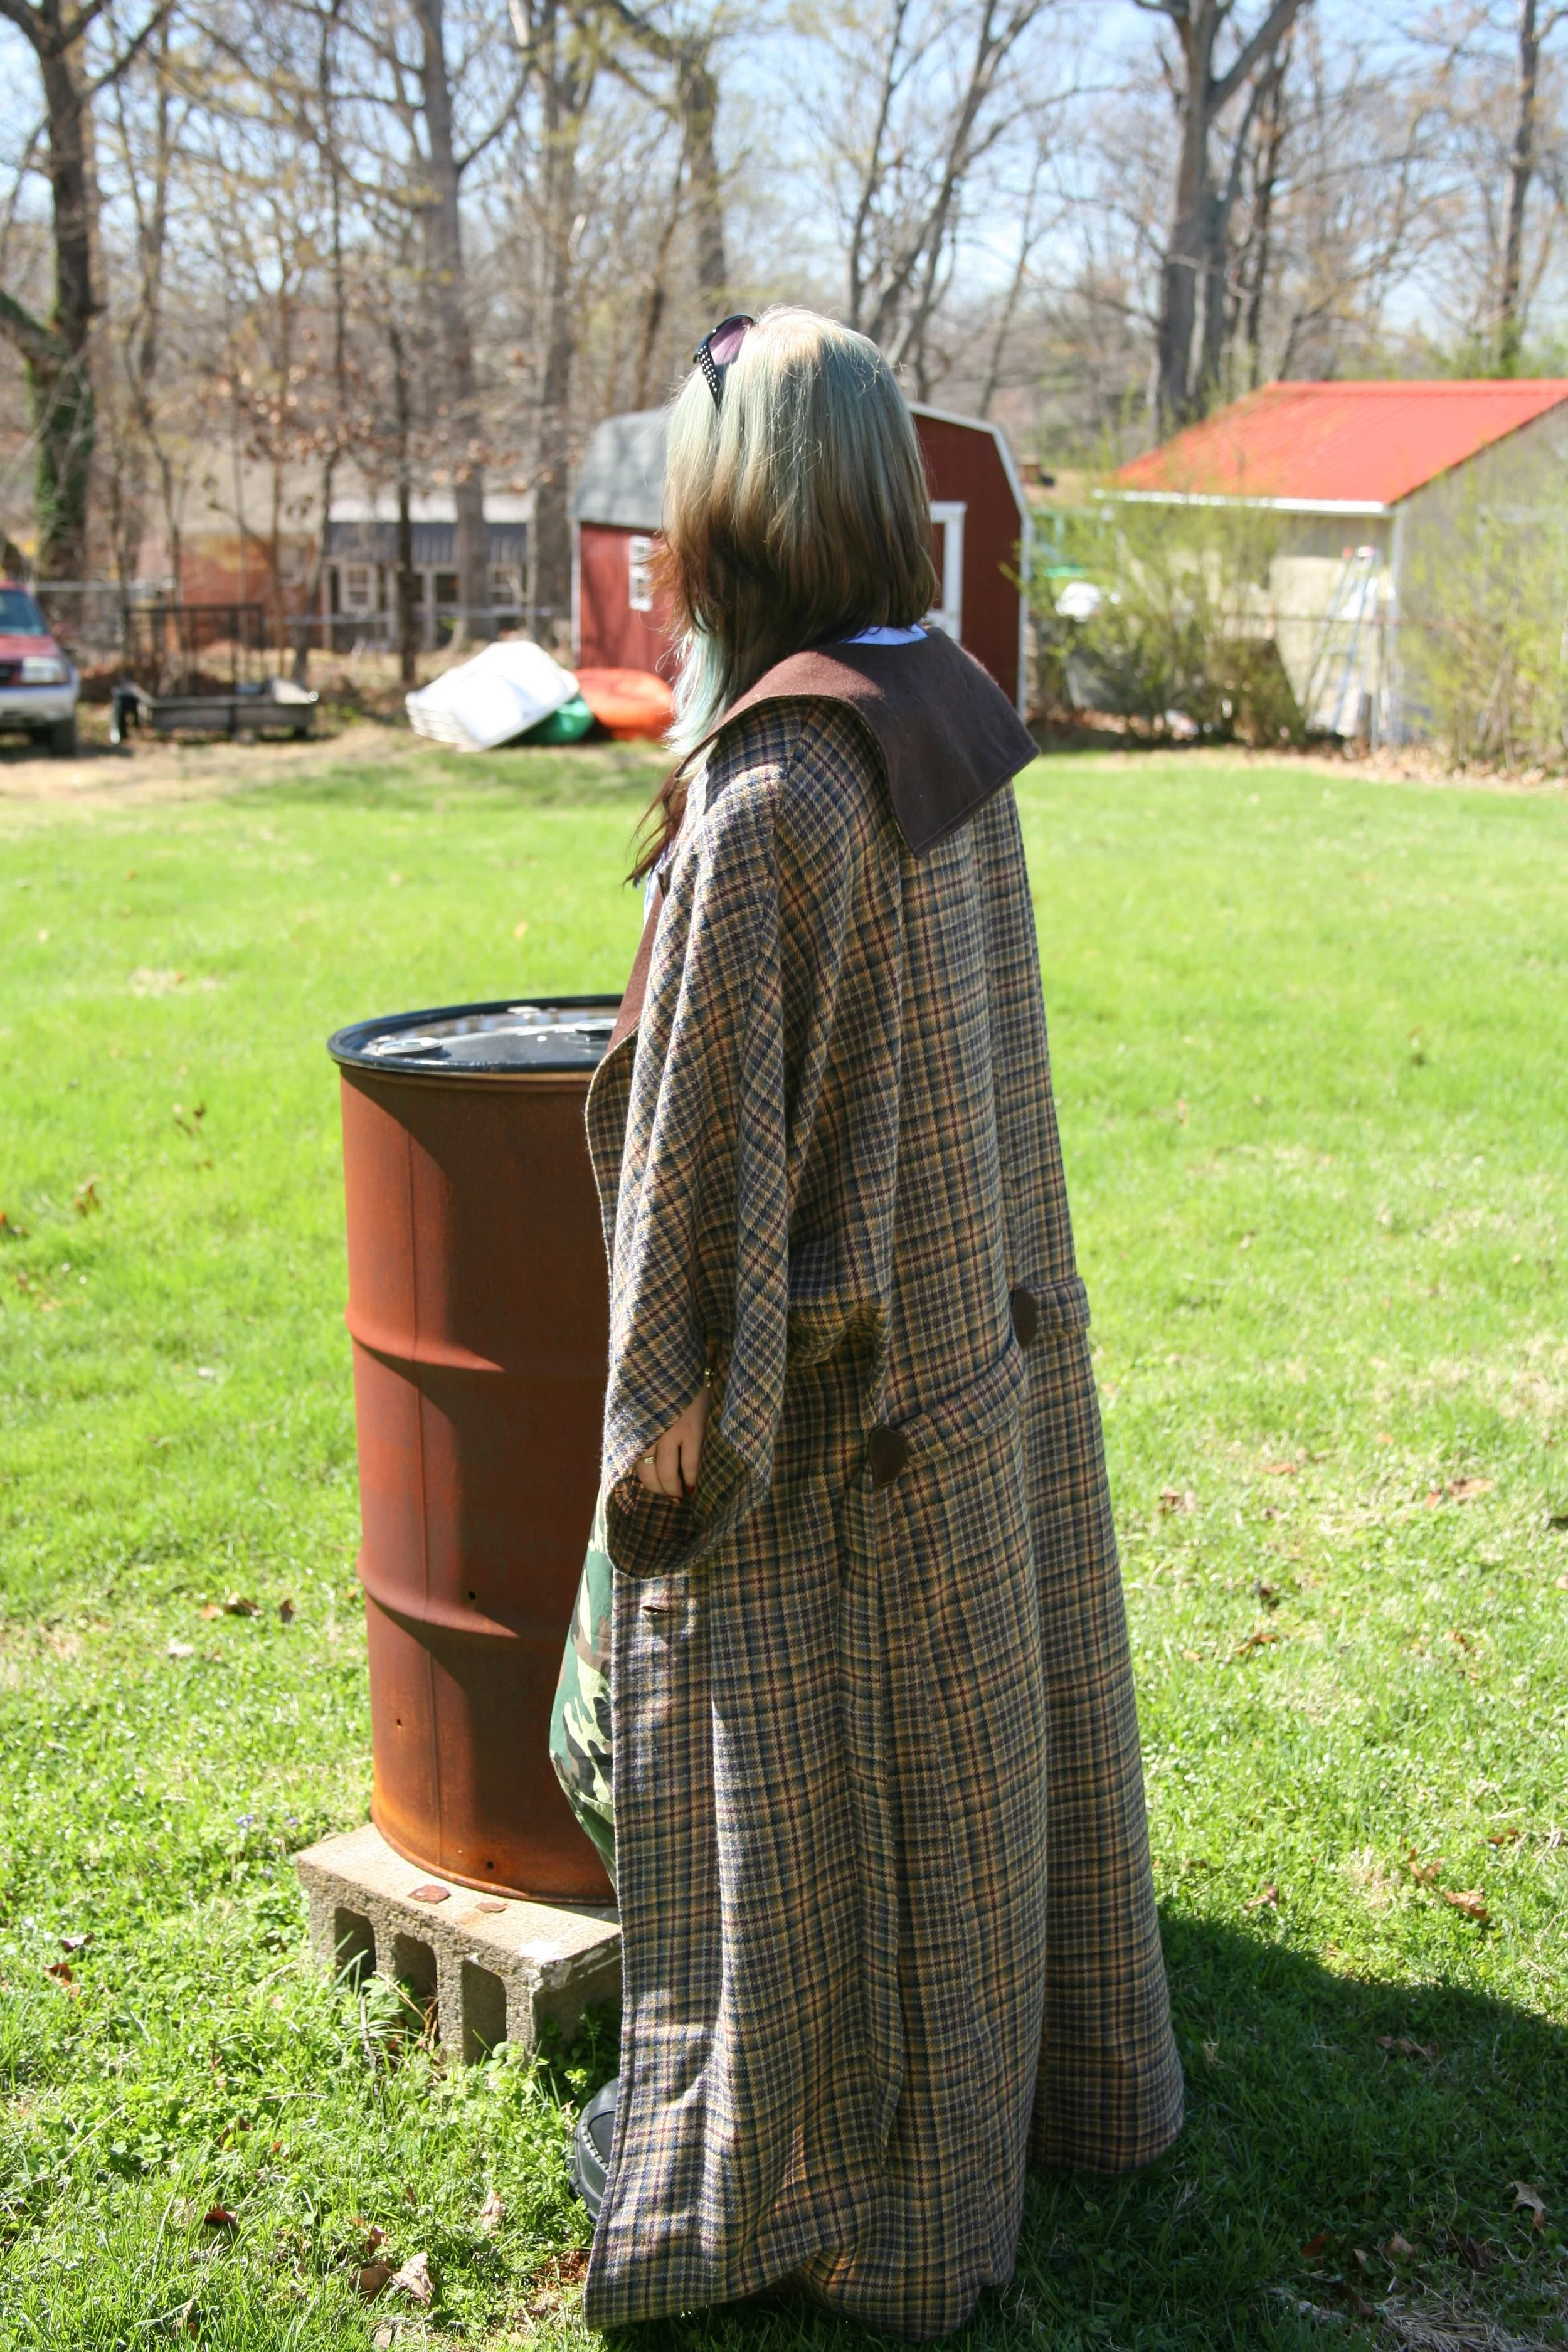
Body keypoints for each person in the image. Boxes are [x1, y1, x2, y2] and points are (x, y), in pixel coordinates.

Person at [548, 305, 1182, 2340]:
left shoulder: (780, 800)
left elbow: (694, 1210)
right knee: (952, 1829)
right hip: (965, 1379)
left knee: (780, 1826)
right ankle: (977, 2119)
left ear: (733, 509)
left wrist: (659, 1476)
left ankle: (827, 2190)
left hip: (838, 1454)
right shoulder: (945, 706)